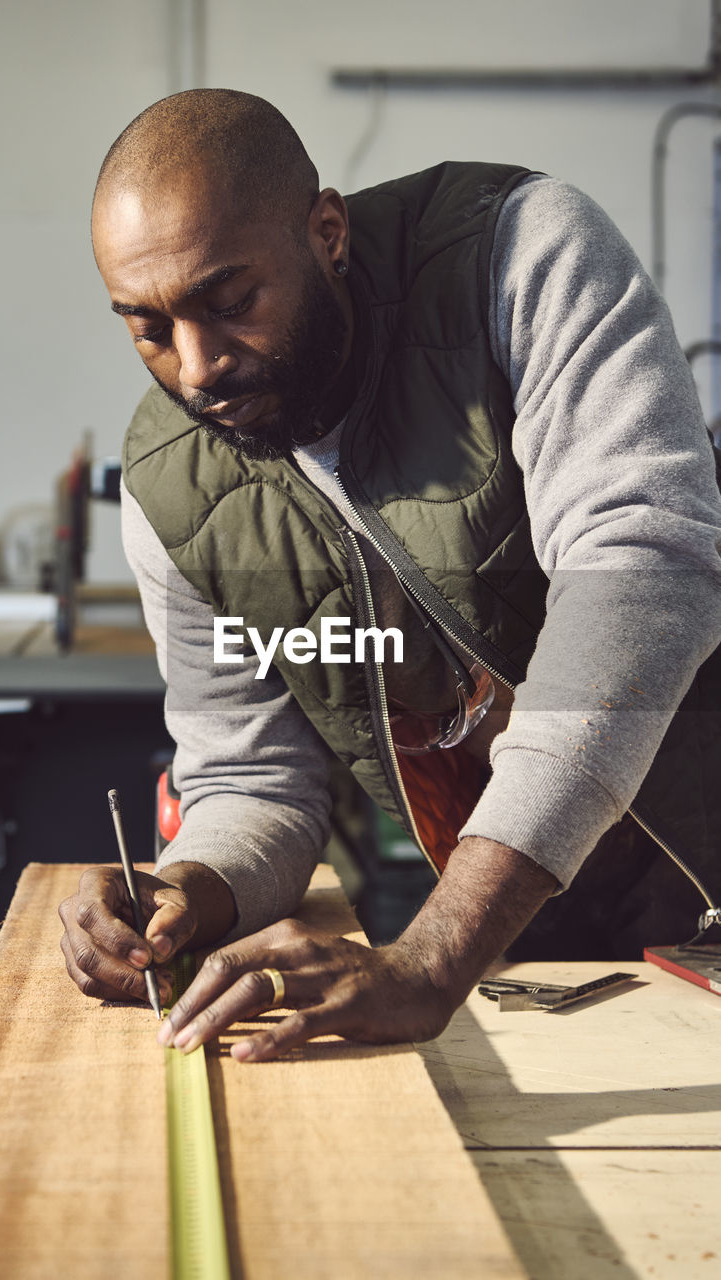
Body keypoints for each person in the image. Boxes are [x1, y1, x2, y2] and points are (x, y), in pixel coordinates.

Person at [59, 88, 721, 1062]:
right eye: (148, 326)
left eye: (230, 301)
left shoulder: (516, 255)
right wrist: (189, 887)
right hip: (527, 936)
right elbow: (252, 774)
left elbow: (642, 569)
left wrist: (435, 951)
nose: (196, 367)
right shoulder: (173, 480)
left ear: (327, 230)